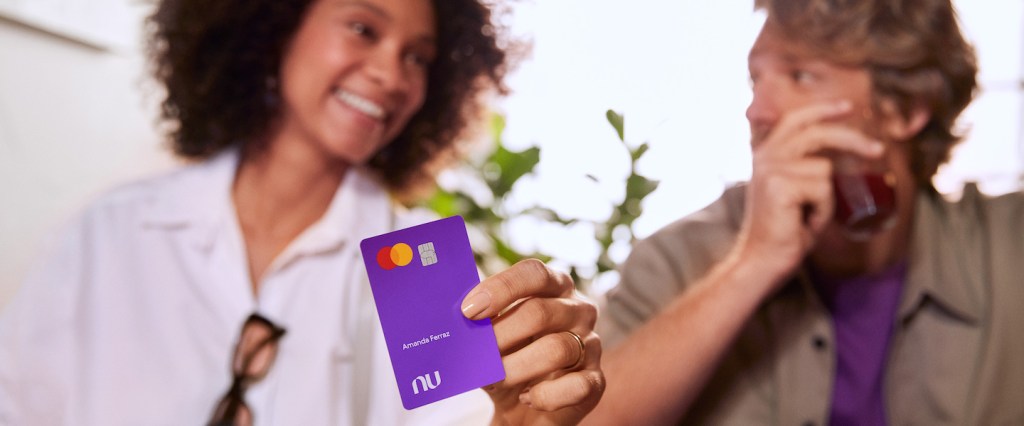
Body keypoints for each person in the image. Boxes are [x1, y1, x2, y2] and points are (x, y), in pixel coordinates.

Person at [0, 0, 604, 424]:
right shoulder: (109, 232)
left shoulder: (423, 269)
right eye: (364, 28)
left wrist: (519, 425)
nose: (392, 75)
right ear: (276, 25)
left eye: (418, 57)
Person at [588, 0, 1023, 425]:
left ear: (905, 109)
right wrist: (753, 263)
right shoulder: (673, 261)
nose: (756, 111)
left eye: (802, 75)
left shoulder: (1007, 248)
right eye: (755, 79)